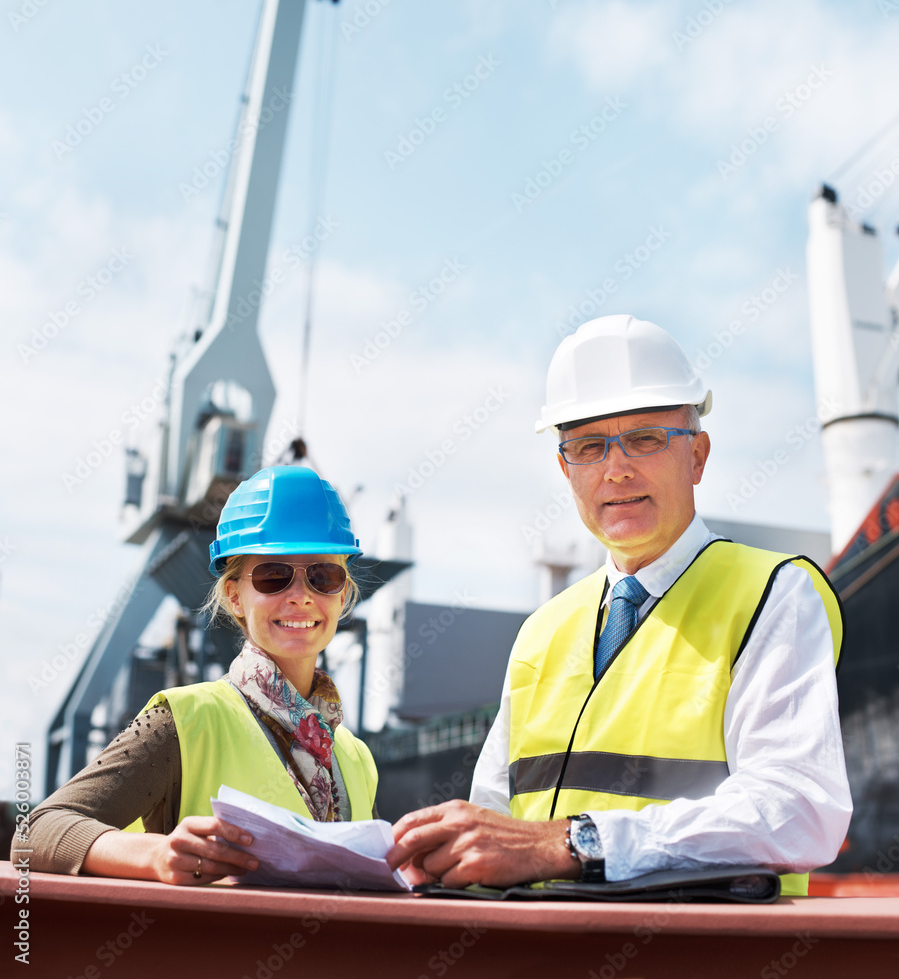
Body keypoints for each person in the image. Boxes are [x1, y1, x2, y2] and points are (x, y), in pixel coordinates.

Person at [388, 314, 851, 897]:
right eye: (588, 446)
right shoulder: (541, 632)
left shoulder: (773, 596)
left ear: (698, 456)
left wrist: (572, 845)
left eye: (645, 438)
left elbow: (799, 808)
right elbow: (495, 825)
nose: (616, 468)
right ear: (565, 468)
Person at [18, 466, 378, 884]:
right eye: (273, 576)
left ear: (343, 594)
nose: (300, 596)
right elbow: (36, 832)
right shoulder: (184, 722)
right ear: (234, 596)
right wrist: (154, 855)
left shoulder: (355, 759)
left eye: (323, 576)